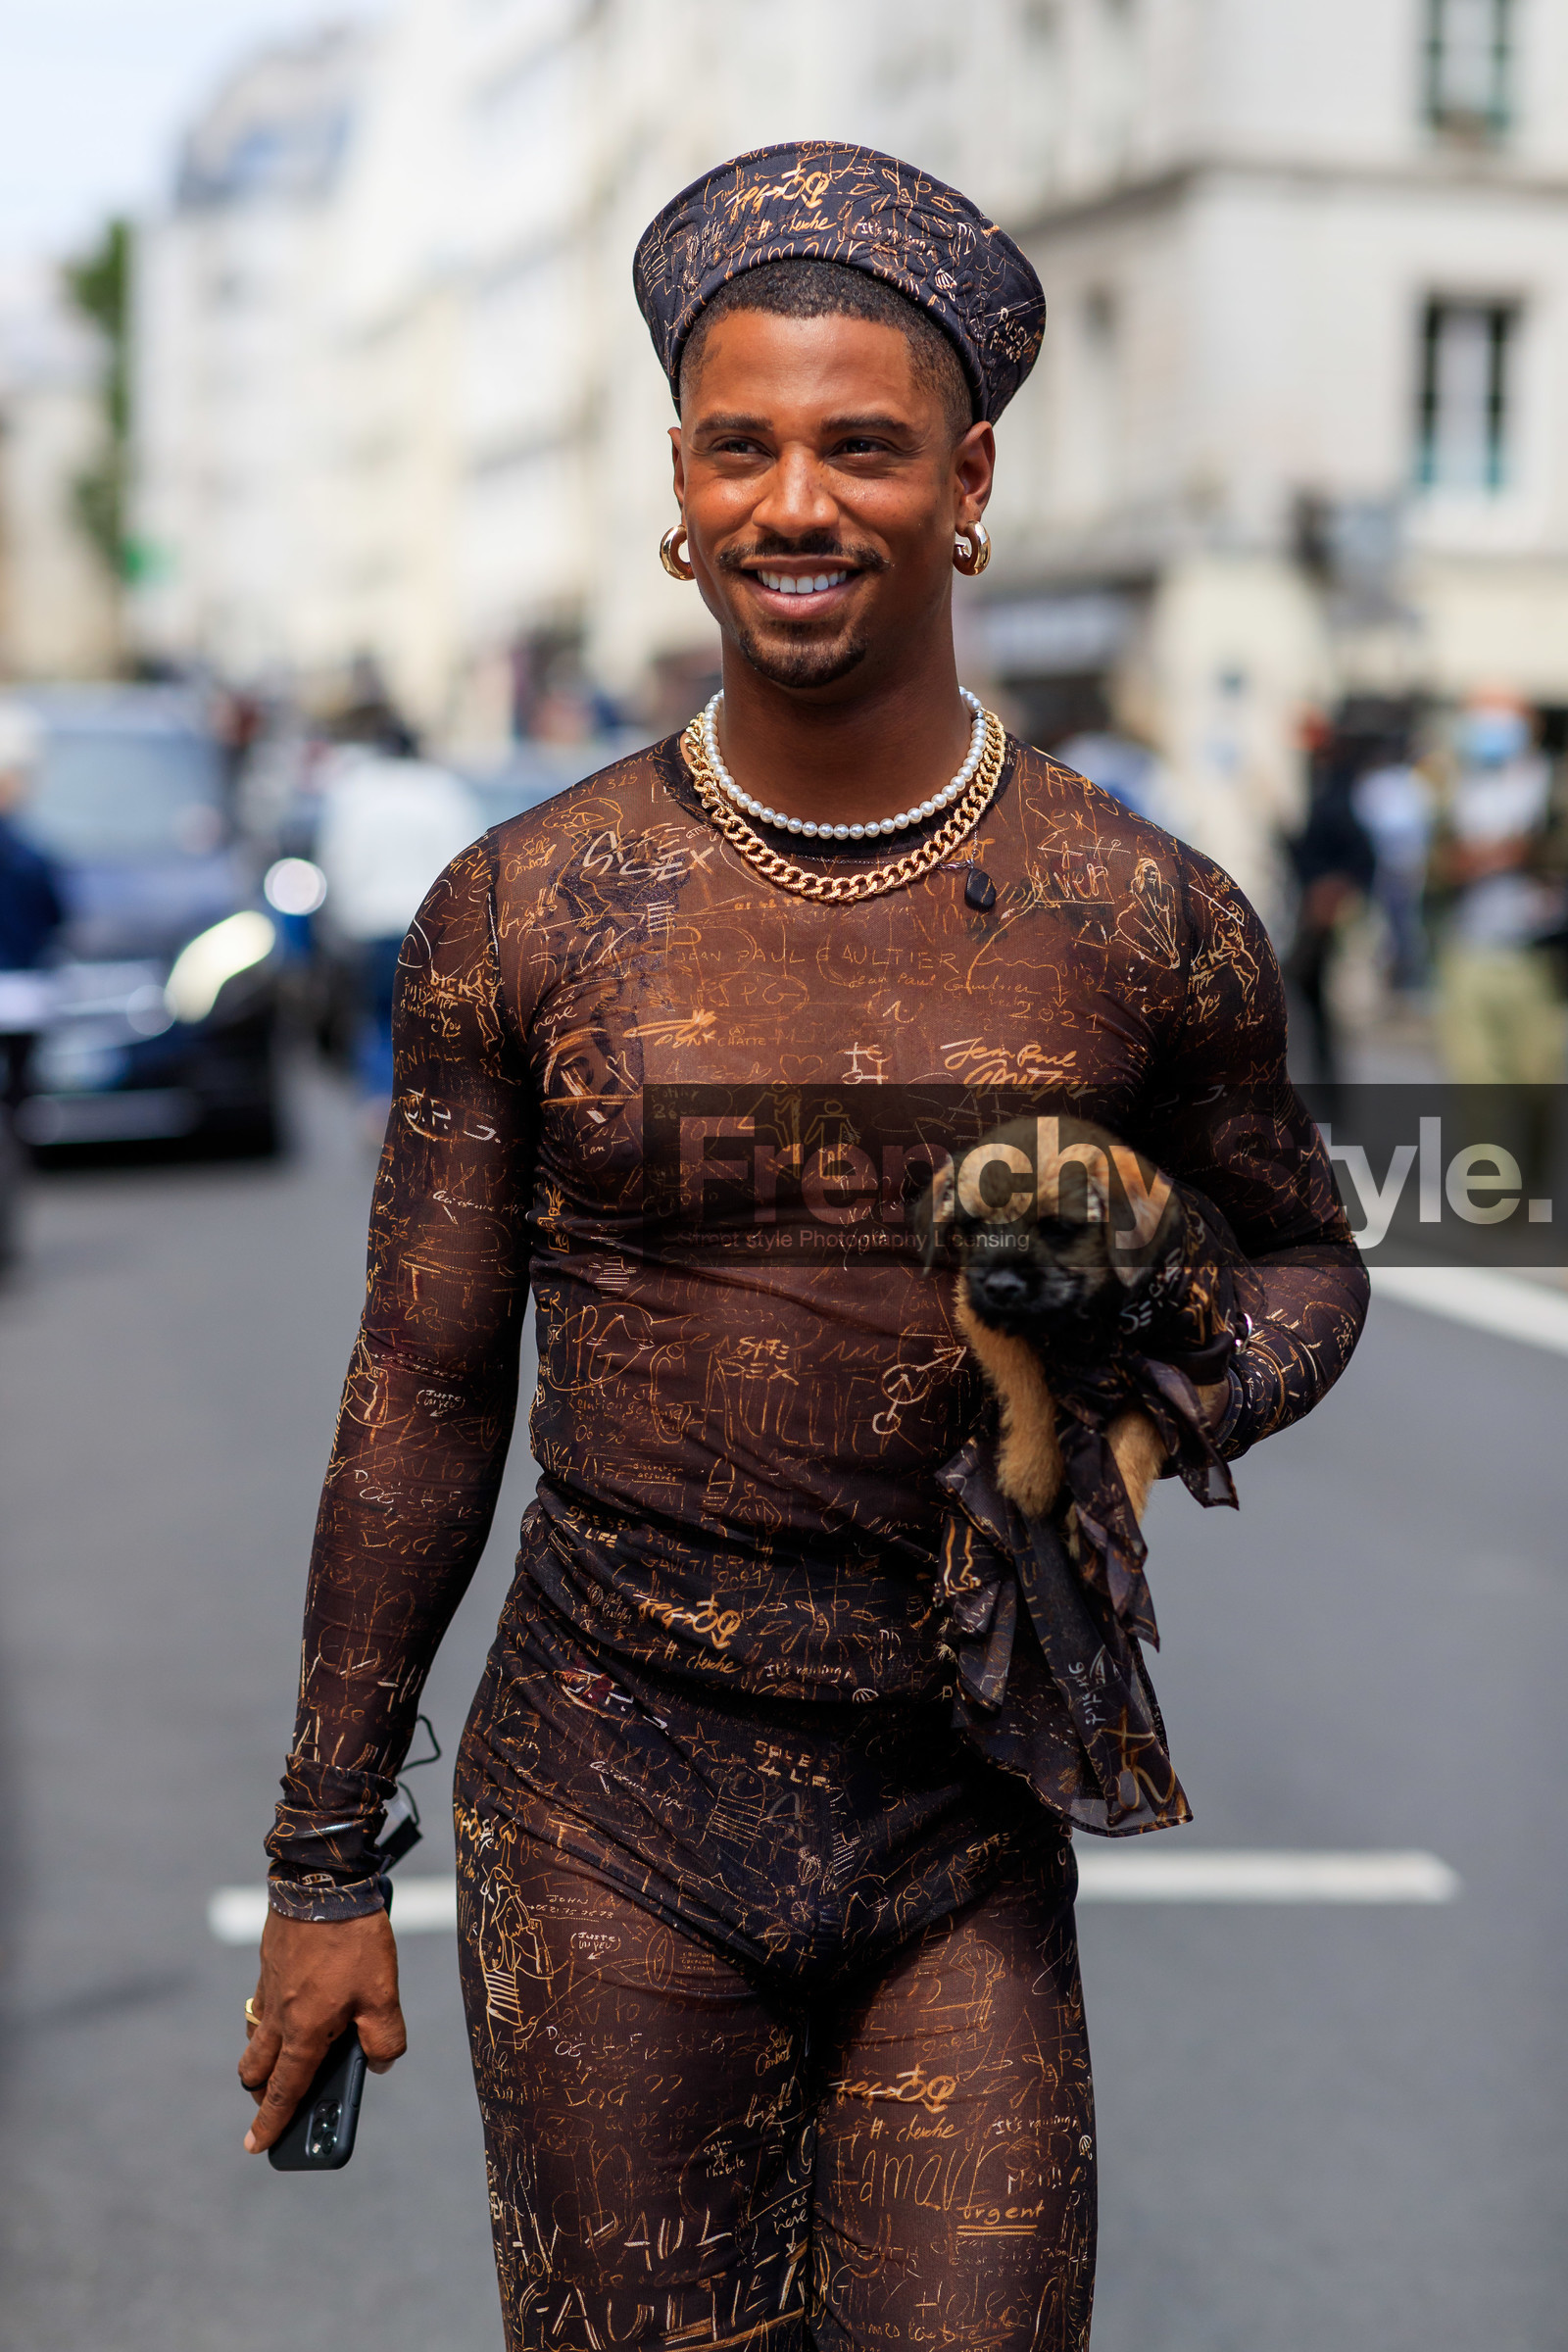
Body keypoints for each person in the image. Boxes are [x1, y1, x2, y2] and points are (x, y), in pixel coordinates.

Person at [239, 144, 1366, 2350]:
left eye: (859, 447)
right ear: (675, 485)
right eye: (737, 445)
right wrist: (317, 1858)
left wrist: (1156, 1405)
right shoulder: (522, 907)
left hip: (958, 1802)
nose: (793, 501)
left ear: (963, 485)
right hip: (604, 1807)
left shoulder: (1137, 915)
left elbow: (1305, 1258)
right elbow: (426, 1383)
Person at [313, 748, 481, 1108]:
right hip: (430, 926)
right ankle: (428, 1099)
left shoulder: (354, 792)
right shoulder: (441, 790)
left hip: (370, 924)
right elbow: (466, 860)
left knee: (376, 1017)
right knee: (432, 1018)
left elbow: (339, 860)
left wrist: (342, 919)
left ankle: (379, 1101)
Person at [1431, 695, 1567, 1084]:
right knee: (1479, 1083)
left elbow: (1550, 849)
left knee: (1537, 1079)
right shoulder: (1453, 783)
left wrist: (1523, 852)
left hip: (1538, 959)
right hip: (1468, 952)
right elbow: (1436, 863)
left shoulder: (1553, 783)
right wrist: (1501, 854)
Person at [0, 700, 65, 1115]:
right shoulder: (27, 852)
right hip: (25, 986)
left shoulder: (28, 849)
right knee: (21, 1088)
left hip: (23, 986)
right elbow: (55, 913)